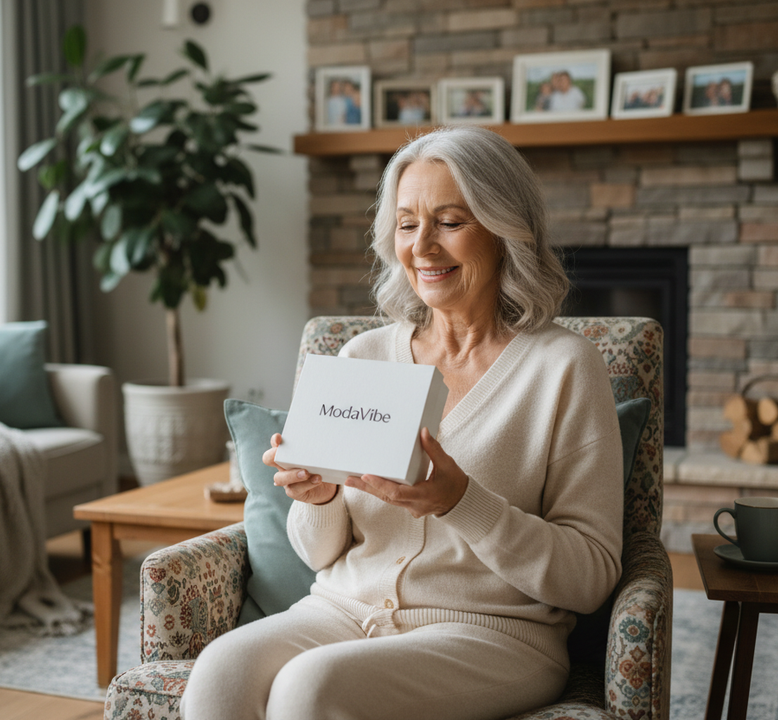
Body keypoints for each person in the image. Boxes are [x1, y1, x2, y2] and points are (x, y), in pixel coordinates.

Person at [181, 125, 624, 720]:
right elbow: (317, 554)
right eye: (408, 224)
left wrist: (461, 502)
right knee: (219, 673)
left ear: (505, 231)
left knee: (309, 688)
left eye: (450, 222)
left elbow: (591, 577)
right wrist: (318, 498)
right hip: (341, 610)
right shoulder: (362, 357)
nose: (423, 247)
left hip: (492, 635)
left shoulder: (564, 367)